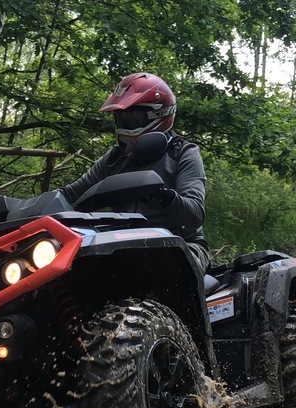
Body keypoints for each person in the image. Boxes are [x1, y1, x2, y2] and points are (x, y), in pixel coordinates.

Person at [58, 72, 210, 272]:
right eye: (122, 118)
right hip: (125, 246)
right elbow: (70, 194)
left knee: (156, 266)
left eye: (133, 118)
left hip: (181, 246)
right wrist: (23, 209)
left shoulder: (182, 153)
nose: (126, 125)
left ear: (158, 115)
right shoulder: (116, 158)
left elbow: (194, 215)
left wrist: (164, 196)